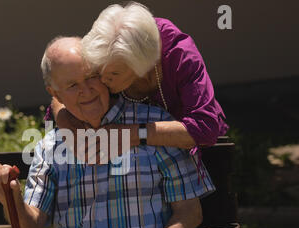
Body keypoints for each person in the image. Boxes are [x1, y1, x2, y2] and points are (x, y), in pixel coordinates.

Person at [0, 37, 215, 228]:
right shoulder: (51, 145)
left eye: (91, 77)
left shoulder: (155, 127)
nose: (86, 90)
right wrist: (9, 197)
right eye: (72, 85)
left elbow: (190, 213)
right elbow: (30, 227)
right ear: (55, 94)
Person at [49, 1, 228, 159]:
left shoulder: (179, 54)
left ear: (142, 67)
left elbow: (205, 127)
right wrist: (63, 118)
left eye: (113, 75)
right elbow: (65, 87)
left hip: (201, 158)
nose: (101, 80)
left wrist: (133, 134)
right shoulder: (108, 44)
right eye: (97, 71)